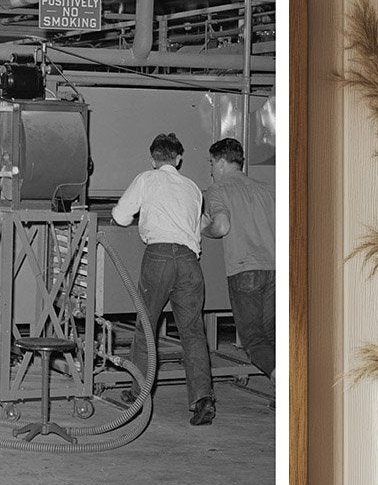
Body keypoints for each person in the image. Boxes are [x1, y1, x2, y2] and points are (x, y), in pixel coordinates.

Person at [112, 132, 216, 426]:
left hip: (158, 258)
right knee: (193, 332)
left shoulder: (146, 178)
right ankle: (202, 399)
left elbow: (121, 217)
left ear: (153, 159)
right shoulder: (194, 188)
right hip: (189, 261)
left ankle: (138, 394)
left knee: (146, 327)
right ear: (179, 158)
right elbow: (197, 231)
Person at [201, 137, 277, 382]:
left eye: (211, 163)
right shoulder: (267, 189)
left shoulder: (217, 190)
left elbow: (222, 226)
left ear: (222, 163)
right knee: (274, 336)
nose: (211, 169)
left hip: (245, 271)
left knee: (253, 340)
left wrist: (204, 228)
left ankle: (282, 379)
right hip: (275, 269)